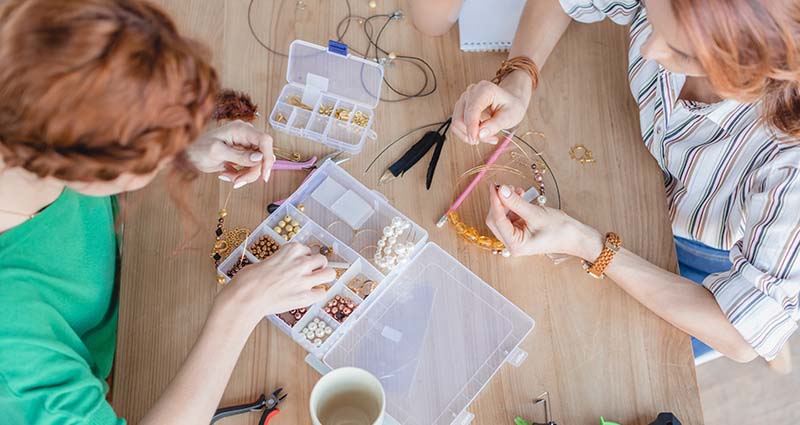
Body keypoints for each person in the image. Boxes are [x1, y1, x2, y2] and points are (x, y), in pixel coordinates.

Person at [411, 0, 800, 367]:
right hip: (639, 171)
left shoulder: (791, 168)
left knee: (616, 350)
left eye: (683, 53)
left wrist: (586, 244)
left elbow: (742, 336)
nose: (648, 50)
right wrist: (519, 77)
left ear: (749, 68)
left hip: (707, 258)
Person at [0, 0, 332, 423]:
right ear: (95, 164)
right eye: (148, 157)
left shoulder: (26, 129)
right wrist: (240, 307)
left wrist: (180, 149)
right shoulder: (12, 348)